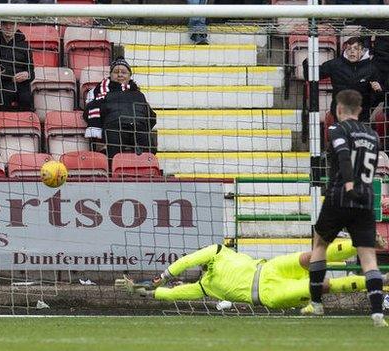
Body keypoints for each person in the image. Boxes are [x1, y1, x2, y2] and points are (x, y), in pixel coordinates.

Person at [116, 238, 388, 311]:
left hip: (269, 268)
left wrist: (162, 275)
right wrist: (146, 290)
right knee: (322, 286)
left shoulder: (217, 251)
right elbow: (172, 295)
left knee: (310, 256)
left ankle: (361, 241)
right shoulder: (204, 288)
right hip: (268, 294)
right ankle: (380, 280)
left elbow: (188, 259)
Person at [304, 89, 386, 327]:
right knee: (368, 257)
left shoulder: (337, 130)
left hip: (340, 195)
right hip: (365, 199)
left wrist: (349, 182)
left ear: (338, 109)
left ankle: (317, 304)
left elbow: (342, 156)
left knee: (319, 243)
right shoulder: (373, 135)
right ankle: (377, 313)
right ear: (360, 110)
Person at [83, 57, 157, 161]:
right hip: (114, 128)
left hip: (138, 127)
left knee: (149, 151)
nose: (120, 75)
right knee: (114, 154)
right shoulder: (102, 92)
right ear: (111, 74)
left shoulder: (138, 94)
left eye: (124, 72)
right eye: (116, 72)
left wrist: (142, 124)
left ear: (129, 76)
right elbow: (89, 112)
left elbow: (151, 116)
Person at [305, 37, 384, 123]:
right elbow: (312, 75)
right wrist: (307, 62)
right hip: (340, 115)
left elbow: (379, 96)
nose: (352, 51)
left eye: (356, 48)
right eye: (349, 49)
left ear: (362, 51)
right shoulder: (335, 65)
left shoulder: (372, 69)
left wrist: (379, 90)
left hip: (361, 116)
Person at [0, 21, 35, 111]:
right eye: (5, 24)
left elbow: (32, 73)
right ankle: (2, 123)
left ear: (17, 25)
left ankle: (25, 123)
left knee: (26, 98)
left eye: (12, 24)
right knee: (7, 93)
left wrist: (27, 74)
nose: (8, 27)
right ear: (0, 25)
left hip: (20, 84)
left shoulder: (25, 45)